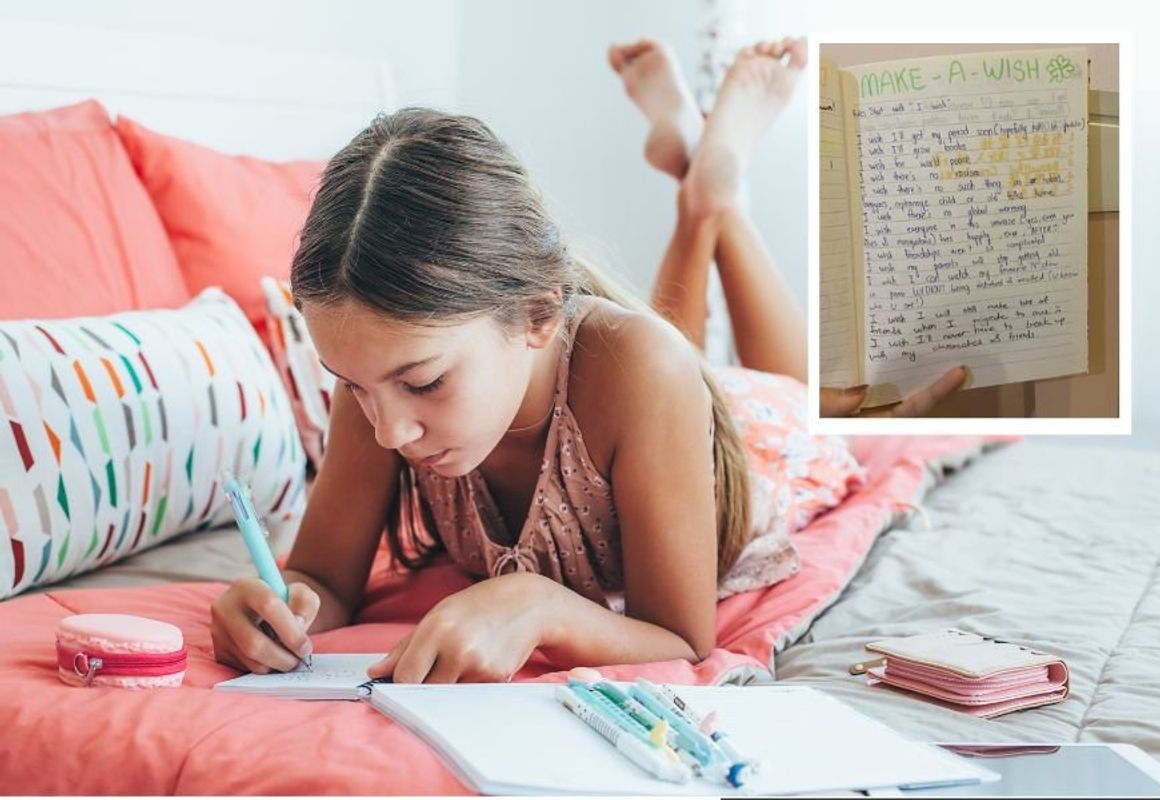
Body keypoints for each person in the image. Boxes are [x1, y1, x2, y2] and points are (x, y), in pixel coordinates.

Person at [210, 36, 960, 683]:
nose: (388, 433)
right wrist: (277, 604)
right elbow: (323, 579)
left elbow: (683, 640)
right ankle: (700, 173)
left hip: (756, 441)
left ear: (537, 312)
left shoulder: (641, 368)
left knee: (794, 393)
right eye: (355, 389)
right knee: (660, 354)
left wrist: (538, 604)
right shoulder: (384, 378)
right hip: (649, 398)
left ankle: (712, 197)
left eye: (426, 383)